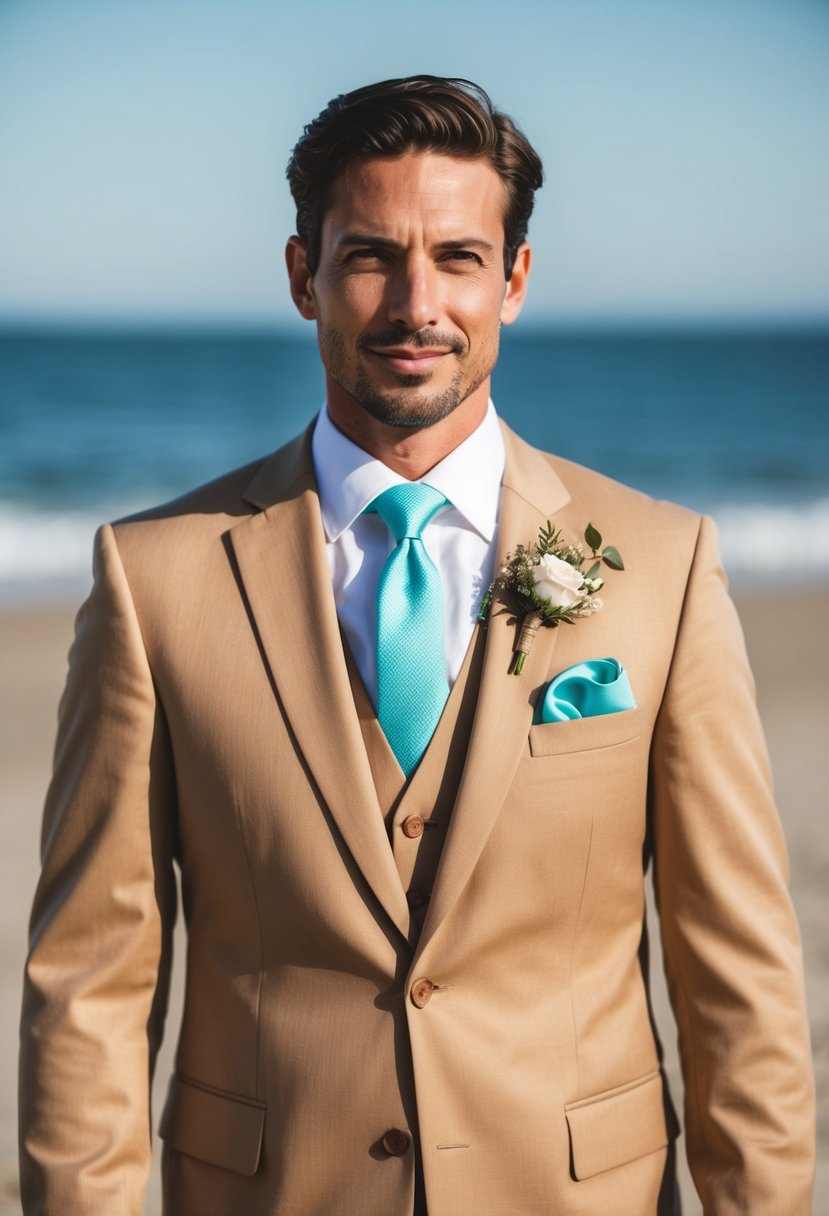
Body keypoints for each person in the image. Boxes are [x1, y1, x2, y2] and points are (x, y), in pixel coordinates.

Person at [19, 75, 814, 1216]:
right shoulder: (154, 581)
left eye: (457, 257)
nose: (414, 303)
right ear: (304, 276)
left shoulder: (664, 566)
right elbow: (91, 986)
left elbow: (735, 974)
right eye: (369, 257)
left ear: (515, 280)